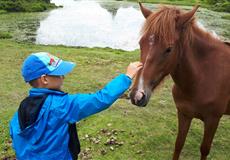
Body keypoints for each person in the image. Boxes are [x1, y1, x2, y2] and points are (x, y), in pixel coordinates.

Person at [9, 52, 143, 160]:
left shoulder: (21, 108)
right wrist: (127, 76)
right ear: (44, 79)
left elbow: (15, 134)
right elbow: (100, 99)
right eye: (59, 73)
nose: (63, 77)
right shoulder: (62, 105)